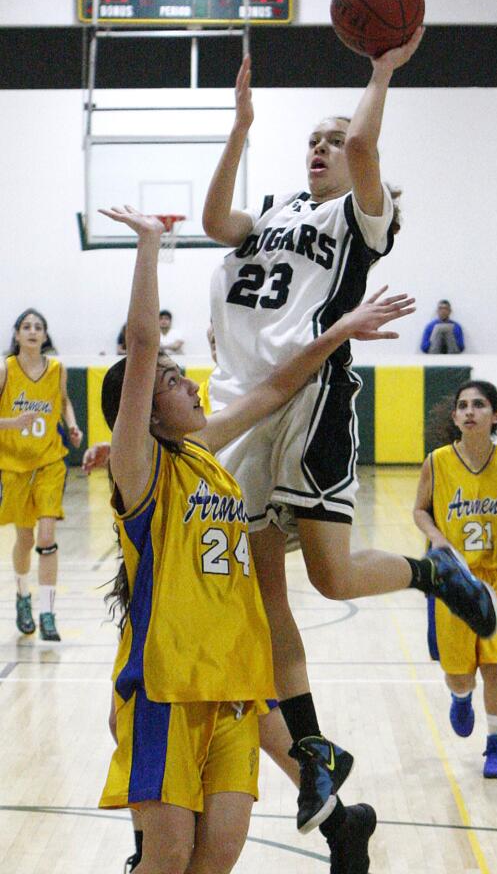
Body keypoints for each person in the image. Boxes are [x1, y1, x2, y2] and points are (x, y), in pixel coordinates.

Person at [201, 40, 497, 832]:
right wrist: (239, 128)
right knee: (271, 608)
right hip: (238, 414)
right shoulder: (268, 215)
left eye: (333, 140)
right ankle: (314, 755)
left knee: (331, 580)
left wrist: (382, 66)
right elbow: (210, 219)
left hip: (308, 399)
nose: (322, 148)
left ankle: (433, 576)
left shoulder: (362, 219)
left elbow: (367, 144)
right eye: (313, 140)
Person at [96, 205, 416, 874]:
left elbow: (273, 387)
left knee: (220, 851)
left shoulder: (206, 452)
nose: (188, 382)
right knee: (171, 851)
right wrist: (151, 246)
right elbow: (144, 347)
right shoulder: (143, 468)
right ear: (147, 414)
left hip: (237, 686)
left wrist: (341, 330)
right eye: (174, 382)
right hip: (168, 686)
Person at [413, 380, 497, 779]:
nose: (469, 411)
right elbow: (420, 511)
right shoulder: (437, 461)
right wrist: (438, 541)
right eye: (462, 405)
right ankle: (460, 695)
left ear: (494, 416)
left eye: (479, 405)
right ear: (454, 417)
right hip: (453, 581)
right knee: (459, 671)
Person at [0, 308, 83, 641]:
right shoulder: (6, 369)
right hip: (15, 464)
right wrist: (11, 424)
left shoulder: (57, 368)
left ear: (45, 336)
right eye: (26, 326)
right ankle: (23, 595)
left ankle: (48, 612)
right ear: (18, 335)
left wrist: (72, 425)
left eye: (38, 327)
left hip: (50, 461)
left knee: (47, 537)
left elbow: (63, 403)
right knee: (25, 539)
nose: (32, 331)